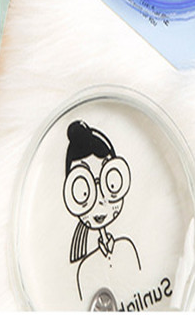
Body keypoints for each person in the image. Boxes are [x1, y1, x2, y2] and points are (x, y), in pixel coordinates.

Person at [63, 120, 141, 302]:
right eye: (83, 190)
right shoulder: (85, 270)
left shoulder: (127, 248)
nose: (99, 199)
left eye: (109, 182)